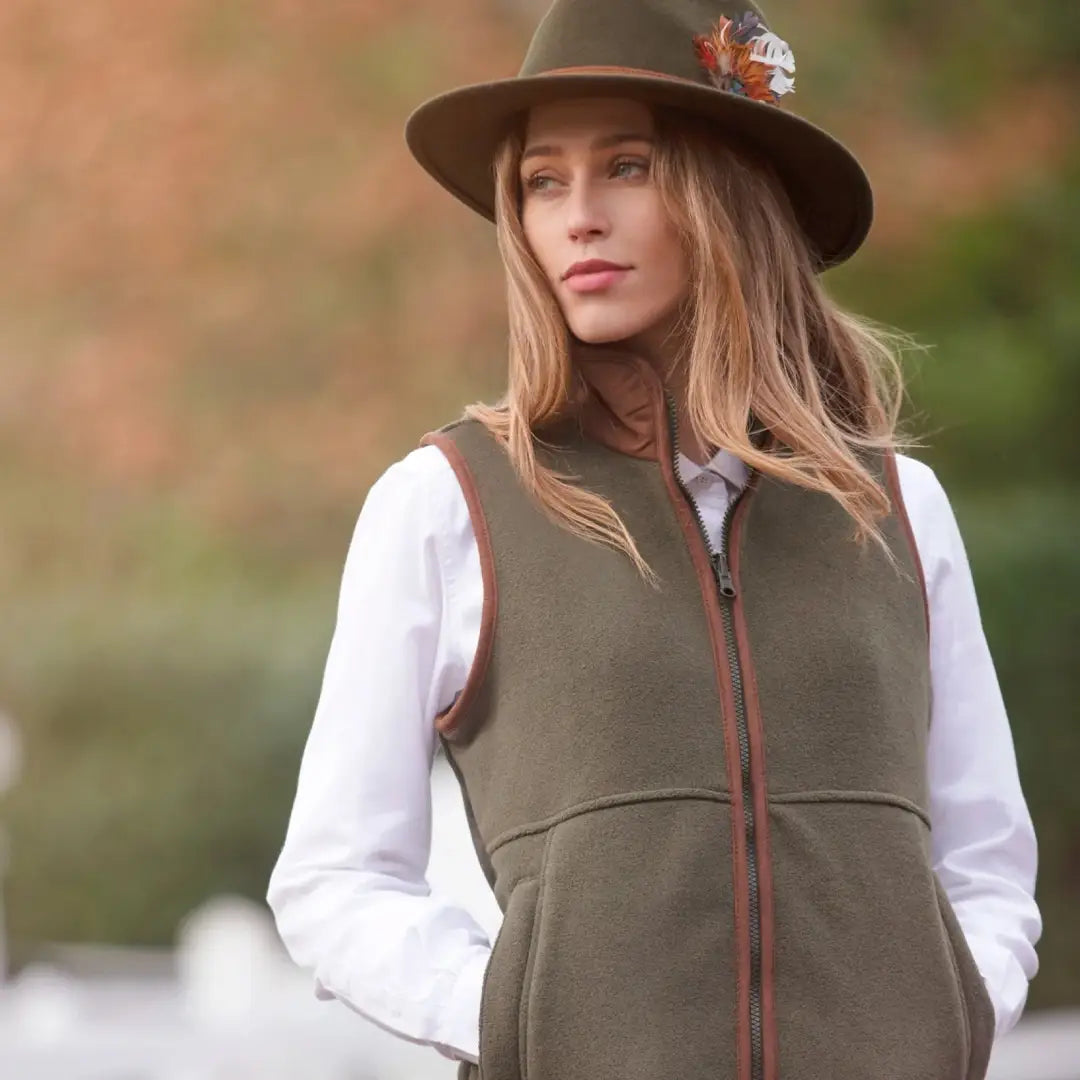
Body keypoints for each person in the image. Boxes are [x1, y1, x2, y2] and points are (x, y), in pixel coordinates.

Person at [266, 3, 1042, 1079]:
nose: (578, 216)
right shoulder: (448, 504)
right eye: (543, 181)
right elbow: (333, 878)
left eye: (626, 167)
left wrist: (950, 1011)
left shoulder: (897, 506)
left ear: (726, 191)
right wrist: (521, 1016)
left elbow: (987, 858)